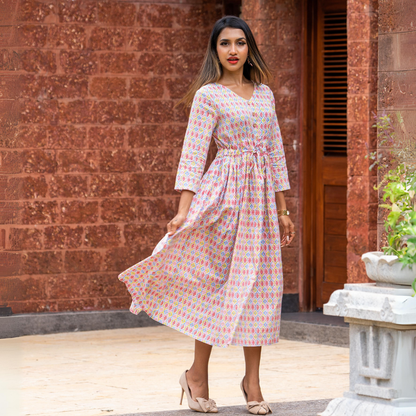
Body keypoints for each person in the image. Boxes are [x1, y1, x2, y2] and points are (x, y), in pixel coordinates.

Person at [118, 15, 295, 415]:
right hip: (223, 198)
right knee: (214, 285)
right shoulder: (208, 96)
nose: (233, 50)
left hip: (262, 202)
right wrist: (183, 211)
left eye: (240, 43)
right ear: (215, 50)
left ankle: (253, 381)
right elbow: (194, 153)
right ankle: (197, 375)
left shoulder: (264, 94)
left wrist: (284, 209)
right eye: (224, 44)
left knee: (262, 289)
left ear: (250, 48)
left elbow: (276, 153)